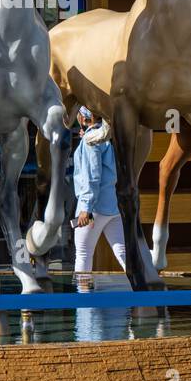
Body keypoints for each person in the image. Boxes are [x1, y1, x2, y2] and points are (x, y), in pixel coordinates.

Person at [71, 107, 127, 273]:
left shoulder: (91, 140)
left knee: (83, 254)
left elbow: (92, 176)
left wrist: (85, 208)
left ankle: (82, 298)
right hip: (114, 206)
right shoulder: (111, 138)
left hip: (94, 208)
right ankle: (144, 292)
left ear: (82, 117)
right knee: (123, 254)